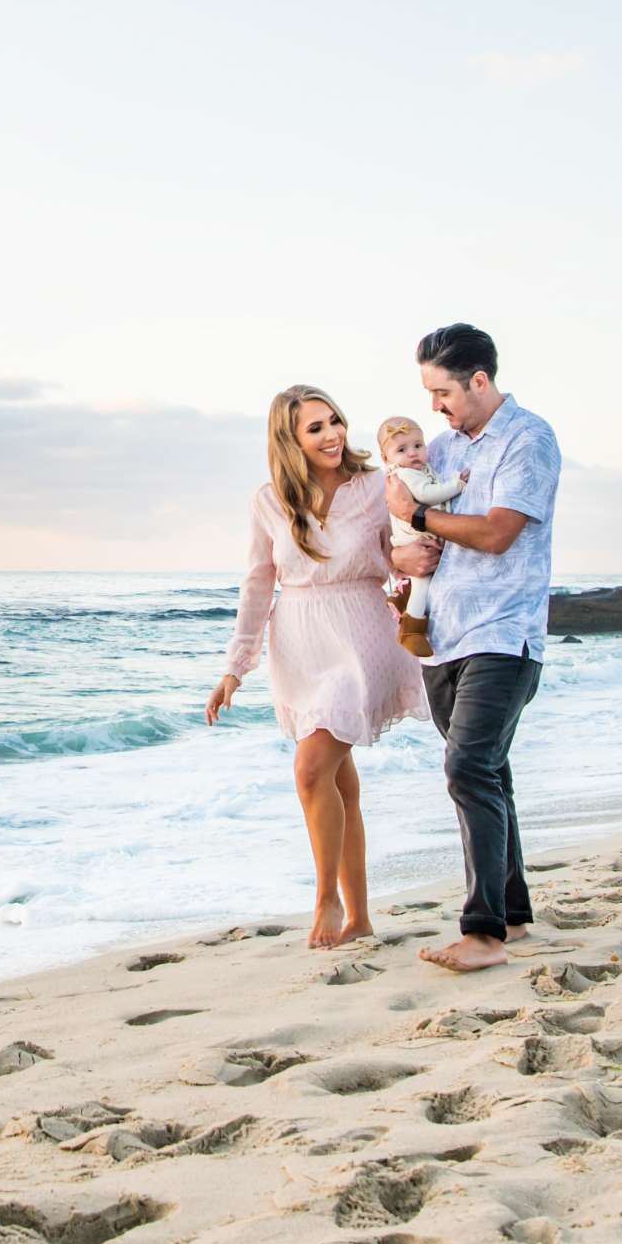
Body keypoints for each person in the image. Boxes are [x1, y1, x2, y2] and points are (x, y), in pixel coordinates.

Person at [208, 385, 430, 949]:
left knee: (310, 770)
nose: (332, 434)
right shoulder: (268, 502)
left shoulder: (377, 487)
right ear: (289, 441)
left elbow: (401, 548)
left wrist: (417, 573)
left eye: (334, 421)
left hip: (362, 631)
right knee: (338, 783)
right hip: (300, 642)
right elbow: (259, 581)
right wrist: (236, 666)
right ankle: (360, 917)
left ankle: (325, 897)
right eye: (315, 428)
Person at [383, 324, 562, 973]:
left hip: (504, 634)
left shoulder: (528, 439)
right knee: (490, 772)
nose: (435, 406)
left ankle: (481, 930)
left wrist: (425, 517)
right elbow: (399, 523)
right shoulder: (440, 446)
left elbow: (495, 533)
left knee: (467, 769)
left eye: (442, 392)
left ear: (479, 381)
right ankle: (512, 916)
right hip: (443, 638)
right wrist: (400, 548)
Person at [378, 416, 468, 658]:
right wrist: (456, 485)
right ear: (386, 459)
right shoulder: (405, 475)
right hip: (413, 540)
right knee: (423, 582)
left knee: (424, 582)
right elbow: (427, 494)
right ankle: (412, 629)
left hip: (420, 535)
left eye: (418, 446)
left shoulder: (420, 469)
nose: (413, 453)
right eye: (401, 449)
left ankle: (400, 598)